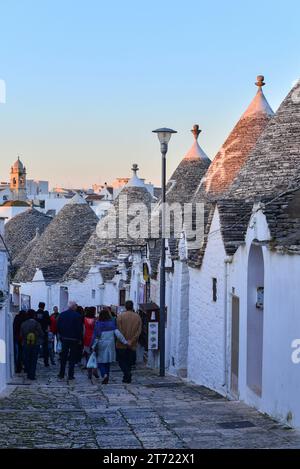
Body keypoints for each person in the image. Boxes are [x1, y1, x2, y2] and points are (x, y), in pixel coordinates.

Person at [92, 309, 128, 384]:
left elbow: (95, 336)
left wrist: (93, 346)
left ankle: (104, 374)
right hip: (110, 344)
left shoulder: (98, 324)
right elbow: (118, 334)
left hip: (101, 344)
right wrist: (125, 342)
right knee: (107, 361)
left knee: (100, 361)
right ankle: (107, 376)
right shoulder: (111, 324)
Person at [116, 300, 142, 384]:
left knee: (121, 360)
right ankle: (127, 376)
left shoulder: (120, 316)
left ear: (125, 306)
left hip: (121, 344)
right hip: (132, 344)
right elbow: (139, 331)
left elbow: (118, 330)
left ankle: (126, 374)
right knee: (129, 361)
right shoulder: (137, 317)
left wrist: (124, 341)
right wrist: (132, 340)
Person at [57, 301, 83, 380]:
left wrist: (61, 336)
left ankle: (61, 373)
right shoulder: (77, 316)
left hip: (64, 338)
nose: (76, 307)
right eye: (76, 306)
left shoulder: (62, 315)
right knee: (72, 357)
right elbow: (79, 328)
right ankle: (70, 375)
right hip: (74, 339)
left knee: (63, 357)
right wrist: (80, 339)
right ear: (73, 306)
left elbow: (59, 326)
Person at [20, 309, 44, 380]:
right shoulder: (37, 323)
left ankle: (28, 372)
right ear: (34, 315)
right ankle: (32, 375)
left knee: (27, 358)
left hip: (26, 343)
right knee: (34, 360)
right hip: (35, 343)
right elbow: (41, 333)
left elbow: (21, 334)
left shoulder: (23, 323)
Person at [83, 307, 98, 379]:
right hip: (94, 338)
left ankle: (89, 372)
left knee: (87, 355)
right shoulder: (95, 320)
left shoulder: (84, 319)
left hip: (86, 338)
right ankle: (95, 369)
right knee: (94, 355)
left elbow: (83, 329)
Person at [35, 302, 51, 367]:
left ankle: (35, 361)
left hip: (37, 332)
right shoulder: (45, 313)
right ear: (44, 306)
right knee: (45, 348)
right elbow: (49, 322)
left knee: (36, 347)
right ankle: (46, 362)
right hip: (44, 331)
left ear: (38, 306)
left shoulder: (35, 313)